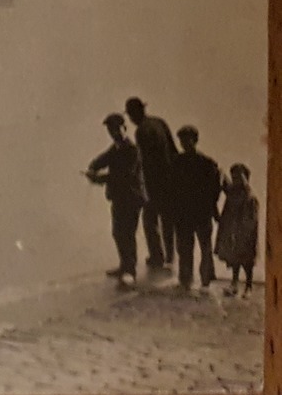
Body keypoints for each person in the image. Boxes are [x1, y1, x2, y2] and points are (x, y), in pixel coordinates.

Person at [86, 112, 145, 286]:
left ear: (124, 128)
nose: (113, 132)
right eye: (110, 129)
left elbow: (124, 176)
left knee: (127, 233)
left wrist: (99, 179)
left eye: (116, 128)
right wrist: (92, 167)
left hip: (132, 197)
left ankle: (130, 270)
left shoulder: (132, 150)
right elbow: (101, 160)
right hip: (120, 198)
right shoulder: (116, 148)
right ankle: (124, 265)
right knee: (118, 232)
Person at [126, 96, 178, 271]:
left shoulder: (141, 131)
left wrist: (142, 185)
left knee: (149, 220)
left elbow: (145, 162)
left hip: (154, 183)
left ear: (134, 115)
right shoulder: (159, 122)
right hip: (170, 179)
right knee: (168, 220)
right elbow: (173, 150)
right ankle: (171, 257)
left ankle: (157, 256)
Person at [169, 125, 221, 290]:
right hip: (185, 213)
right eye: (182, 140)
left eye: (187, 140)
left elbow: (215, 189)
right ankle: (186, 280)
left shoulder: (207, 163)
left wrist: (212, 208)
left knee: (205, 247)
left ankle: (205, 279)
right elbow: (171, 189)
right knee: (185, 248)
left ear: (195, 140)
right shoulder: (177, 162)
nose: (184, 143)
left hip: (201, 213)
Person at [215, 163, 259, 297]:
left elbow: (251, 220)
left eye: (239, 176)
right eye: (234, 177)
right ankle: (234, 284)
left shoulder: (250, 197)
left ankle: (248, 286)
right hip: (233, 232)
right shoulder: (233, 194)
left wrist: (244, 232)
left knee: (247, 261)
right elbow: (227, 212)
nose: (236, 180)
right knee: (234, 260)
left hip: (246, 234)